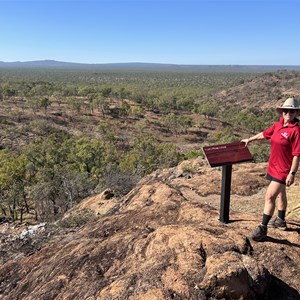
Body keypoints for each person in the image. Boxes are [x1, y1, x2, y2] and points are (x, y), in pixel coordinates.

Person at [241, 97, 300, 242]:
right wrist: (250, 139)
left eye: (292, 111)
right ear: (282, 112)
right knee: (280, 194)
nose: (288, 113)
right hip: (273, 166)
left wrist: (292, 174)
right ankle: (280, 220)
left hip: (283, 170)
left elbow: (297, 154)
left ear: (296, 113)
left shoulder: (296, 130)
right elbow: (265, 134)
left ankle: (263, 228)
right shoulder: (278, 125)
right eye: (286, 110)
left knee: (269, 197)